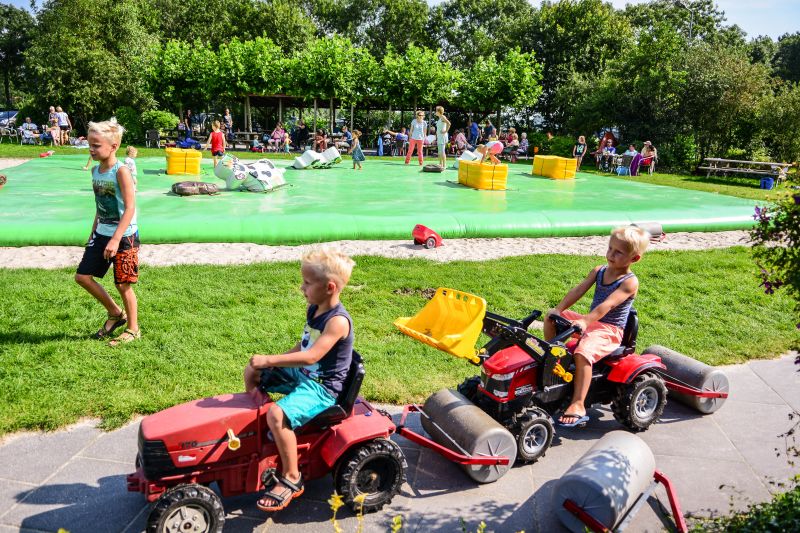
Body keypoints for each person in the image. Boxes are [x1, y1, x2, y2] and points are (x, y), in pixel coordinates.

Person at [244, 247, 356, 512]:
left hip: (322, 387)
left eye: (307, 283)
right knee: (253, 371)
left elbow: (311, 357)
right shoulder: (314, 308)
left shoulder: (338, 322)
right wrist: (270, 363)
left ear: (329, 287)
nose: (301, 287)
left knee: (277, 414)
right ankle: (261, 420)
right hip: (305, 375)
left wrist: (271, 360)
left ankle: (292, 476)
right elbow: (304, 345)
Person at [544, 226, 649, 427]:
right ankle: (552, 356)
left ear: (634, 259)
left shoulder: (629, 282)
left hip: (609, 330)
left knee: (583, 352)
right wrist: (559, 309)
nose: (611, 254)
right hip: (592, 322)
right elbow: (578, 290)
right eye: (610, 248)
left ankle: (578, 403)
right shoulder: (599, 271)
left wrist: (585, 321)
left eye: (618, 252)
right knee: (551, 317)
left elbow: (607, 304)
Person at [74, 118, 140, 346]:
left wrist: (115, 238)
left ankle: (133, 329)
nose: (91, 150)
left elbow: (130, 208)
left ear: (113, 146)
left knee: (123, 284)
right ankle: (115, 312)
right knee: (82, 277)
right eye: (90, 145)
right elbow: (99, 206)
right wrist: (93, 233)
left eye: (96, 145)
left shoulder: (121, 171)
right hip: (102, 233)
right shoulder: (95, 170)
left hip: (124, 236)